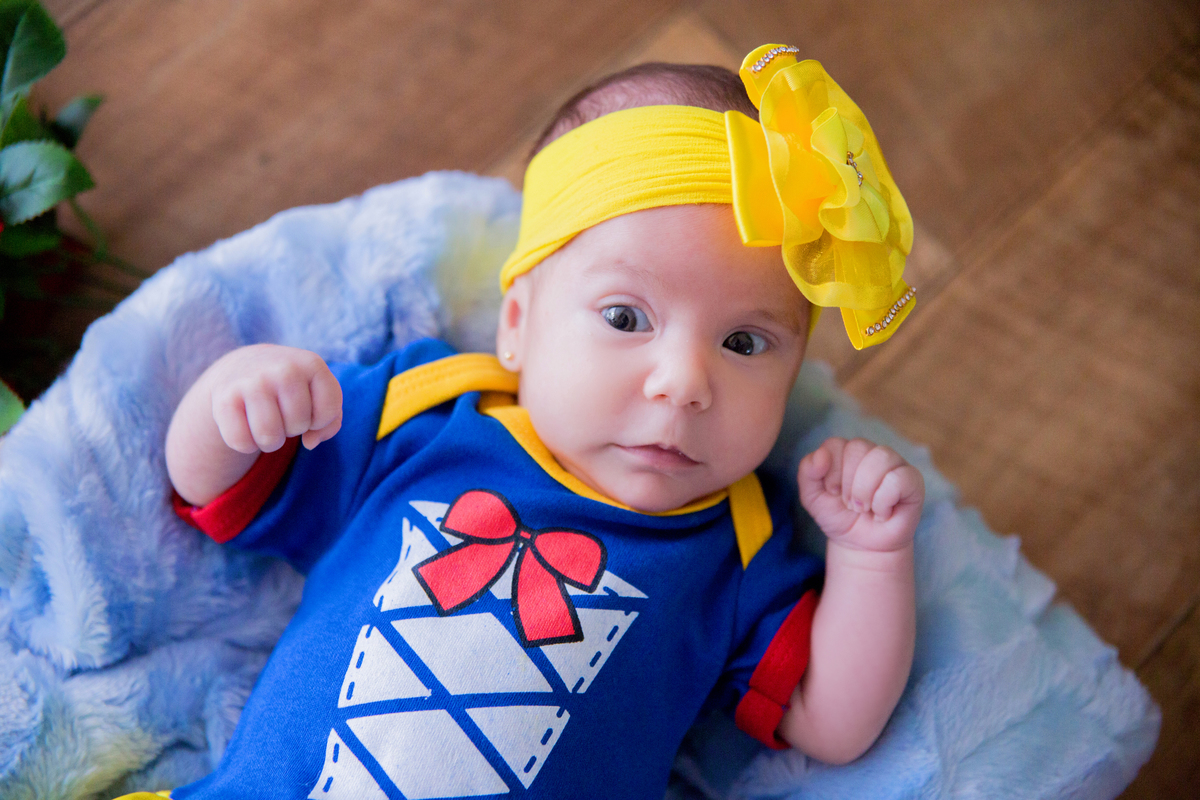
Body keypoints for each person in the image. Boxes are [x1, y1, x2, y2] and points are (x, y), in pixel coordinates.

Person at [146, 44, 924, 800]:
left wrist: (870, 557)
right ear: (518, 323)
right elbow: (221, 497)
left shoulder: (736, 551)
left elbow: (834, 723)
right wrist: (235, 400)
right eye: (626, 317)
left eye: (745, 342)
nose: (685, 382)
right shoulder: (425, 418)